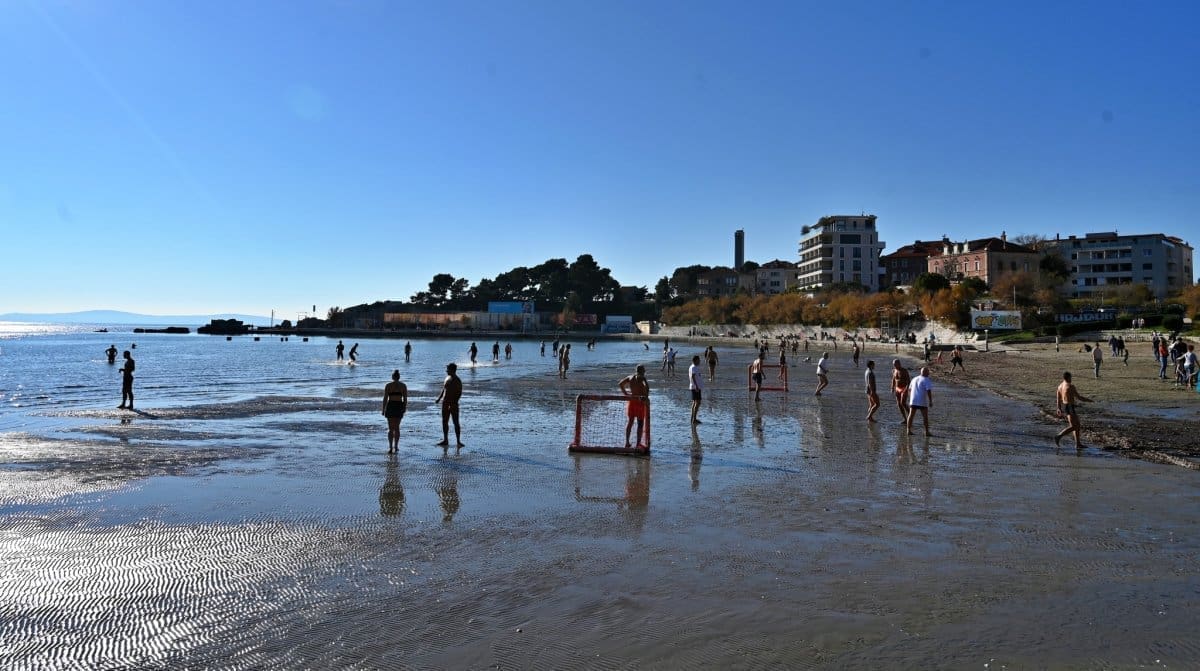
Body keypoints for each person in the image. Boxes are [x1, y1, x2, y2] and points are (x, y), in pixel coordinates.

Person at [1054, 371, 1093, 448]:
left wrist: (1059, 408)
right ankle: (1059, 436)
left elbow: (1058, 398)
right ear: (1068, 377)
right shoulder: (1070, 386)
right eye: (1071, 377)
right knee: (1075, 426)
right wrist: (1089, 400)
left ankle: (1078, 444)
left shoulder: (1060, 386)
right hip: (1070, 407)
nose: (1071, 379)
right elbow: (1079, 397)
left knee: (1076, 425)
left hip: (1065, 406)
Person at [618, 364, 650, 449]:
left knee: (630, 422)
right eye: (644, 370)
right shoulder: (642, 378)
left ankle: (627, 442)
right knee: (640, 423)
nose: (645, 371)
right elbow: (647, 388)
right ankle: (638, 444)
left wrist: (626, 394)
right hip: (640, 402)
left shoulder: (630, 377)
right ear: (642, 371)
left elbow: (620, 384)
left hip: (632, 401)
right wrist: (646, 396)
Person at [434, 363, 464, 448]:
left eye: (448, 369)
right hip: (445, 403)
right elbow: (444, 389)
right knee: (444, 421)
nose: (446, 371)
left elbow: (459, 393)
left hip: (453, 404)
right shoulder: (447, 378)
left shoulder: (457, 380)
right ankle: (445, 440)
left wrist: (453, 403)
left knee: (455, 422)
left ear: (452, 370)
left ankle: (458, 441)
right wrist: (439, 398)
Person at [381, 370, 408, 453]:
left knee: (390, 428)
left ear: (392, 377)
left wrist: (383, 409)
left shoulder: (388, 385)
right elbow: (405, 399)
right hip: (399, 405)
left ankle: (390, 447)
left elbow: (385, 398)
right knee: (397, 428)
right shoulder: (403, 385)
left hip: (391, 405)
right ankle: (396, 446)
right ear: (399, 377)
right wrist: (404, 408)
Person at [906, 366, 933, 436]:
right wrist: (930, 401)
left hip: (913, 400)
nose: (929, 373)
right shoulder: (926, 379)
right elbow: (928, 391)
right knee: (925, 416)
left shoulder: (914, 378)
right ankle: (926, 432)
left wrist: (911, 398)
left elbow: (909, 389)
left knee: (911, 415)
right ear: (925, 372)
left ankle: (908, 430)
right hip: (922, 401)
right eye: (928, 372)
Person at [688, 355, 703, 424]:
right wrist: (696, 386)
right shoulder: (693, 367)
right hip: (695, 387)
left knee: (695, 402)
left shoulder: (693, 366)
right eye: (699, 360)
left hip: (695, 387)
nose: (699, 361)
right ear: (696, 360)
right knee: (697, 402)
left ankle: (693, 418)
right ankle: (694, 419)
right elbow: (693, 377)